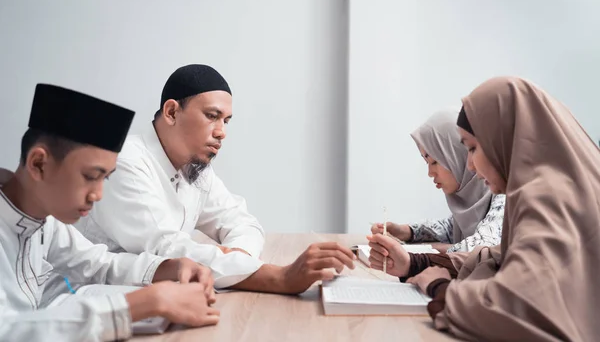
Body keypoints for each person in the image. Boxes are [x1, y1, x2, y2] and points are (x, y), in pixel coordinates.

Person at [74, 64, 356, 293]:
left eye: (227, 121)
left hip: (150, 302)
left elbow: (241, 221)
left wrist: (239, 255)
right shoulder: (125, 163)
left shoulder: (195, 168)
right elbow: (167, 250)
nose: (222, 132)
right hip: (91, 305)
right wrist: (279, 278)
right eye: (212, 116)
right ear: (172, 112)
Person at [368, 77, 599, 341]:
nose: (469, 166)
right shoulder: (535, 189)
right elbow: (499, 258)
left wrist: (438, 288)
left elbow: (511, 310)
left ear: (504, 139)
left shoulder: (546, 197)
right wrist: (416, 263)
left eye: (473, 148)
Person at [0, 84, 219, 341]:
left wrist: (171, 267)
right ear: (39, 164)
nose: (98, 194)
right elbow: (7, 330)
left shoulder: (41, 218)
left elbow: (96, 263)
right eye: (91, 177)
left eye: (105, 178)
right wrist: (142, 304)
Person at [371, 109, 505, 253]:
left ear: (457, 154)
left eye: (434, 162)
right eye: (426, 162)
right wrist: (406, 231)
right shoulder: (473, 200)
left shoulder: (503, 192)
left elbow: (481, 247)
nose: (430, 173)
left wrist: (420, 252)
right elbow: (451, 228)